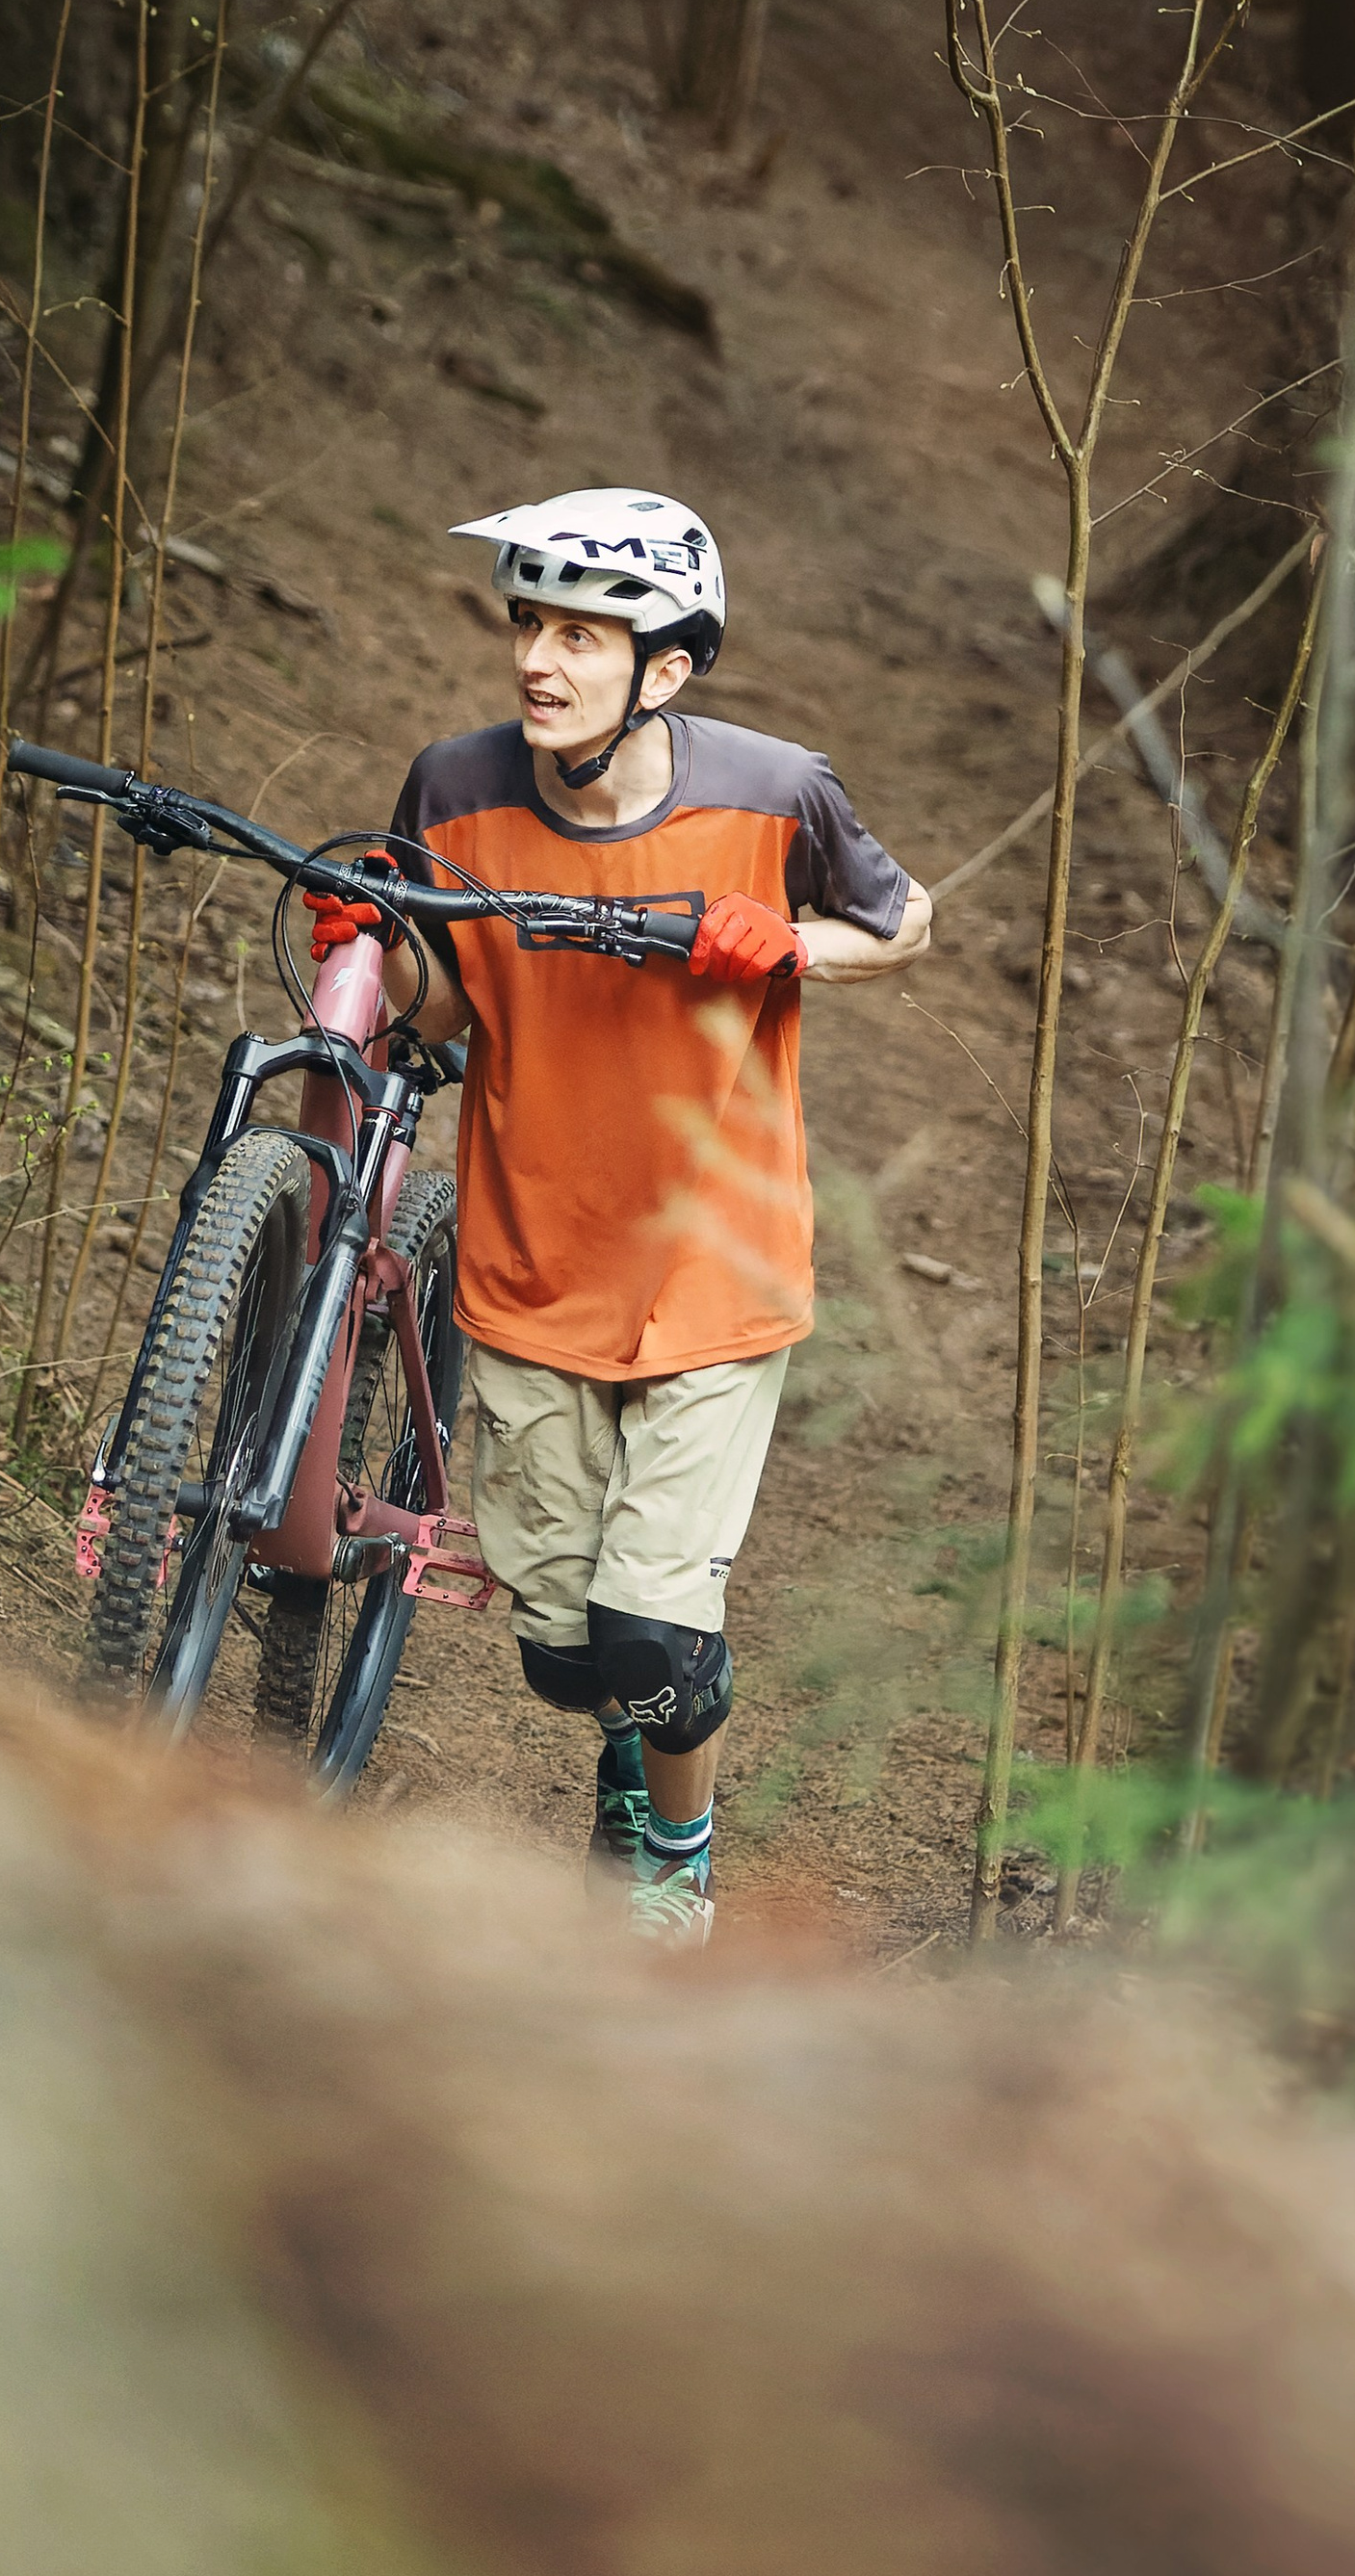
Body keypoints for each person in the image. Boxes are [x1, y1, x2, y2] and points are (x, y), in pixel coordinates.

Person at [309, 489, 930, 1944]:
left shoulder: (776, 792)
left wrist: (787, 940)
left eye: (583, 635)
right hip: (529, 1263)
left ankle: (679, 1853)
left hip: (718, 1271)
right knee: (576, 1663)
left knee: (654, 1629)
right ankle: (631, 1758)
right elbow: (456, 1007)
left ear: (664, 668)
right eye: (530, 623)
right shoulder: (453, 787)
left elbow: (908, 926)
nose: (540, 658)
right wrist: (380, 953)